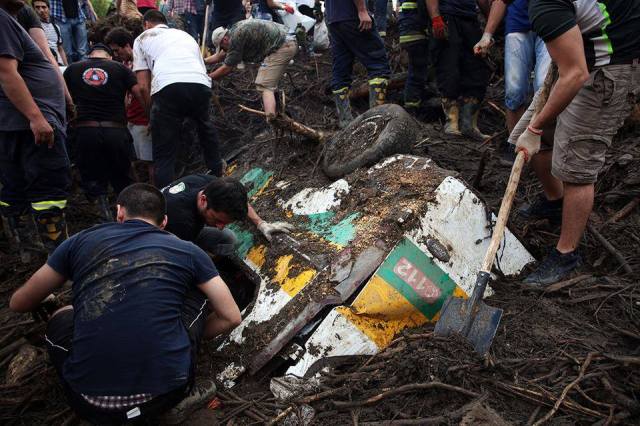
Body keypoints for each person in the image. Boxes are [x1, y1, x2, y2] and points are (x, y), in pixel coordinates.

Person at [9, 183, 242, 424]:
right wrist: (180, 334)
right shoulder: (189, 252)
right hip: (165, 395)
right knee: (197, 294)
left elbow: (18, 303)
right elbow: (232, 316)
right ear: (163, 222)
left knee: (62, 316)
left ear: (119, 212)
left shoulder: (79, 242)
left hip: (90, 405)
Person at [511, 0, 640, 285]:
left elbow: (576, 74)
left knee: (577, 168)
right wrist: (534, 130)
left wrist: (536, 128)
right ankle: (555, 202)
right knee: (526, 138)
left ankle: (566, 253)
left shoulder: (544, 6)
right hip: (580, 58)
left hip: (608, 70)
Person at [0, 0, 71, 254]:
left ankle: (28, 253)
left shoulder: (10, 20)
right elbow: (6, 72)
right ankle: (56, 256)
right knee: (48, 187)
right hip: (28, 124)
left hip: (15, 123)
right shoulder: (2, 19)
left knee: (15, 184)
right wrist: (36, 117)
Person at [133, 10, 224, 187]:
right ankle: (217, 176)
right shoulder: (186, 36)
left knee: (164, 151)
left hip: (168, 86)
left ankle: (165, 197)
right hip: (200, 83)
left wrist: (150, 115)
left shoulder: (143, 38)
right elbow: (199, 65)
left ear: (146, 24)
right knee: (205, 128)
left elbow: (143, 86)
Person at [63, 43, 144, 221]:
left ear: (90, 55)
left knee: (91, 175)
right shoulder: (120, 69)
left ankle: (102, 215)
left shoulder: (72, 69)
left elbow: (63, 96)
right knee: (122, 176)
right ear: (109, 57)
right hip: (115, 130)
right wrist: (151, 118)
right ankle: (129, 216)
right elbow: (139, 93)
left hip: (85, 131)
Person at [474, 0, 551, 161]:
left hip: (551, 22)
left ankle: (543, 147)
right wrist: (487, 35)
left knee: (543, 86)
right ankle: (515, 146)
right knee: (514, 90)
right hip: (518, 23)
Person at [163, 174, 294, 255]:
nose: (220, 226)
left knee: (228, 238)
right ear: (203, 200)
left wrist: (261, 224)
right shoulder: (181, 221)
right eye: (217, 219)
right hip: (162, 242)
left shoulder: (211, 185)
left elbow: (237, 201)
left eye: (225, 222)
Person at [207, 20, 298, 119]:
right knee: (269, 82)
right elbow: (219, 56)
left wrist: (207, 79)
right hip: (285, 40)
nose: (223, 50)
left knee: (264, 85)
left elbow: (227, 68)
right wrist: (203, 61)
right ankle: (279, 114)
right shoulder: (235, 31)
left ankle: (274, 122)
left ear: (224, 40)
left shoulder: (236, 39)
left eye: (222, 47)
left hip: (282, 46)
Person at [426, 0, 490, 140]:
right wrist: (436, 18)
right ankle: (452, 122)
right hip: (447, 17)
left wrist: (490, 18)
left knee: (477, 69)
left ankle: (469, 124)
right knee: (448, 69)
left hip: (470, 19)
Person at [324, 0, 391, 129]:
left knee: (340, 71)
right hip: (353, 15)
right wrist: (362, 10)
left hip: (333, 19)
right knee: (378, 65)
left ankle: (346, 124)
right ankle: (377, 121)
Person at [105, 26, 155, 185]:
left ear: (127, 45)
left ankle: (157, 195)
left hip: (144, 120)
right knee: (130, 159)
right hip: (130, 120)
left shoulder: (145, 62)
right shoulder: (125, 65)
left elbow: (145, 90)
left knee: (151, 161)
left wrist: (151, 118)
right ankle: (140, 191)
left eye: (117, 50)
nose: (115, 54)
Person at [398, 0, 430, 113]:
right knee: (418, 72)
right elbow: (422, 5)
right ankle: (412, 108)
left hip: (407, 30)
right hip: (416, 31)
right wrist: (426, 27)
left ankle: (412, 103)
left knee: (415, 70)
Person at [32, 0, 68, 65]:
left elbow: (60, 49)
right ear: (33, 9)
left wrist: (66, 66)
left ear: (48, 9)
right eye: (37, 7)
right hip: (43, 64)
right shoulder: (31, 27)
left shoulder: (56, 27)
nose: (41, 10)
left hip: (59, 63)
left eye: (44, 7)